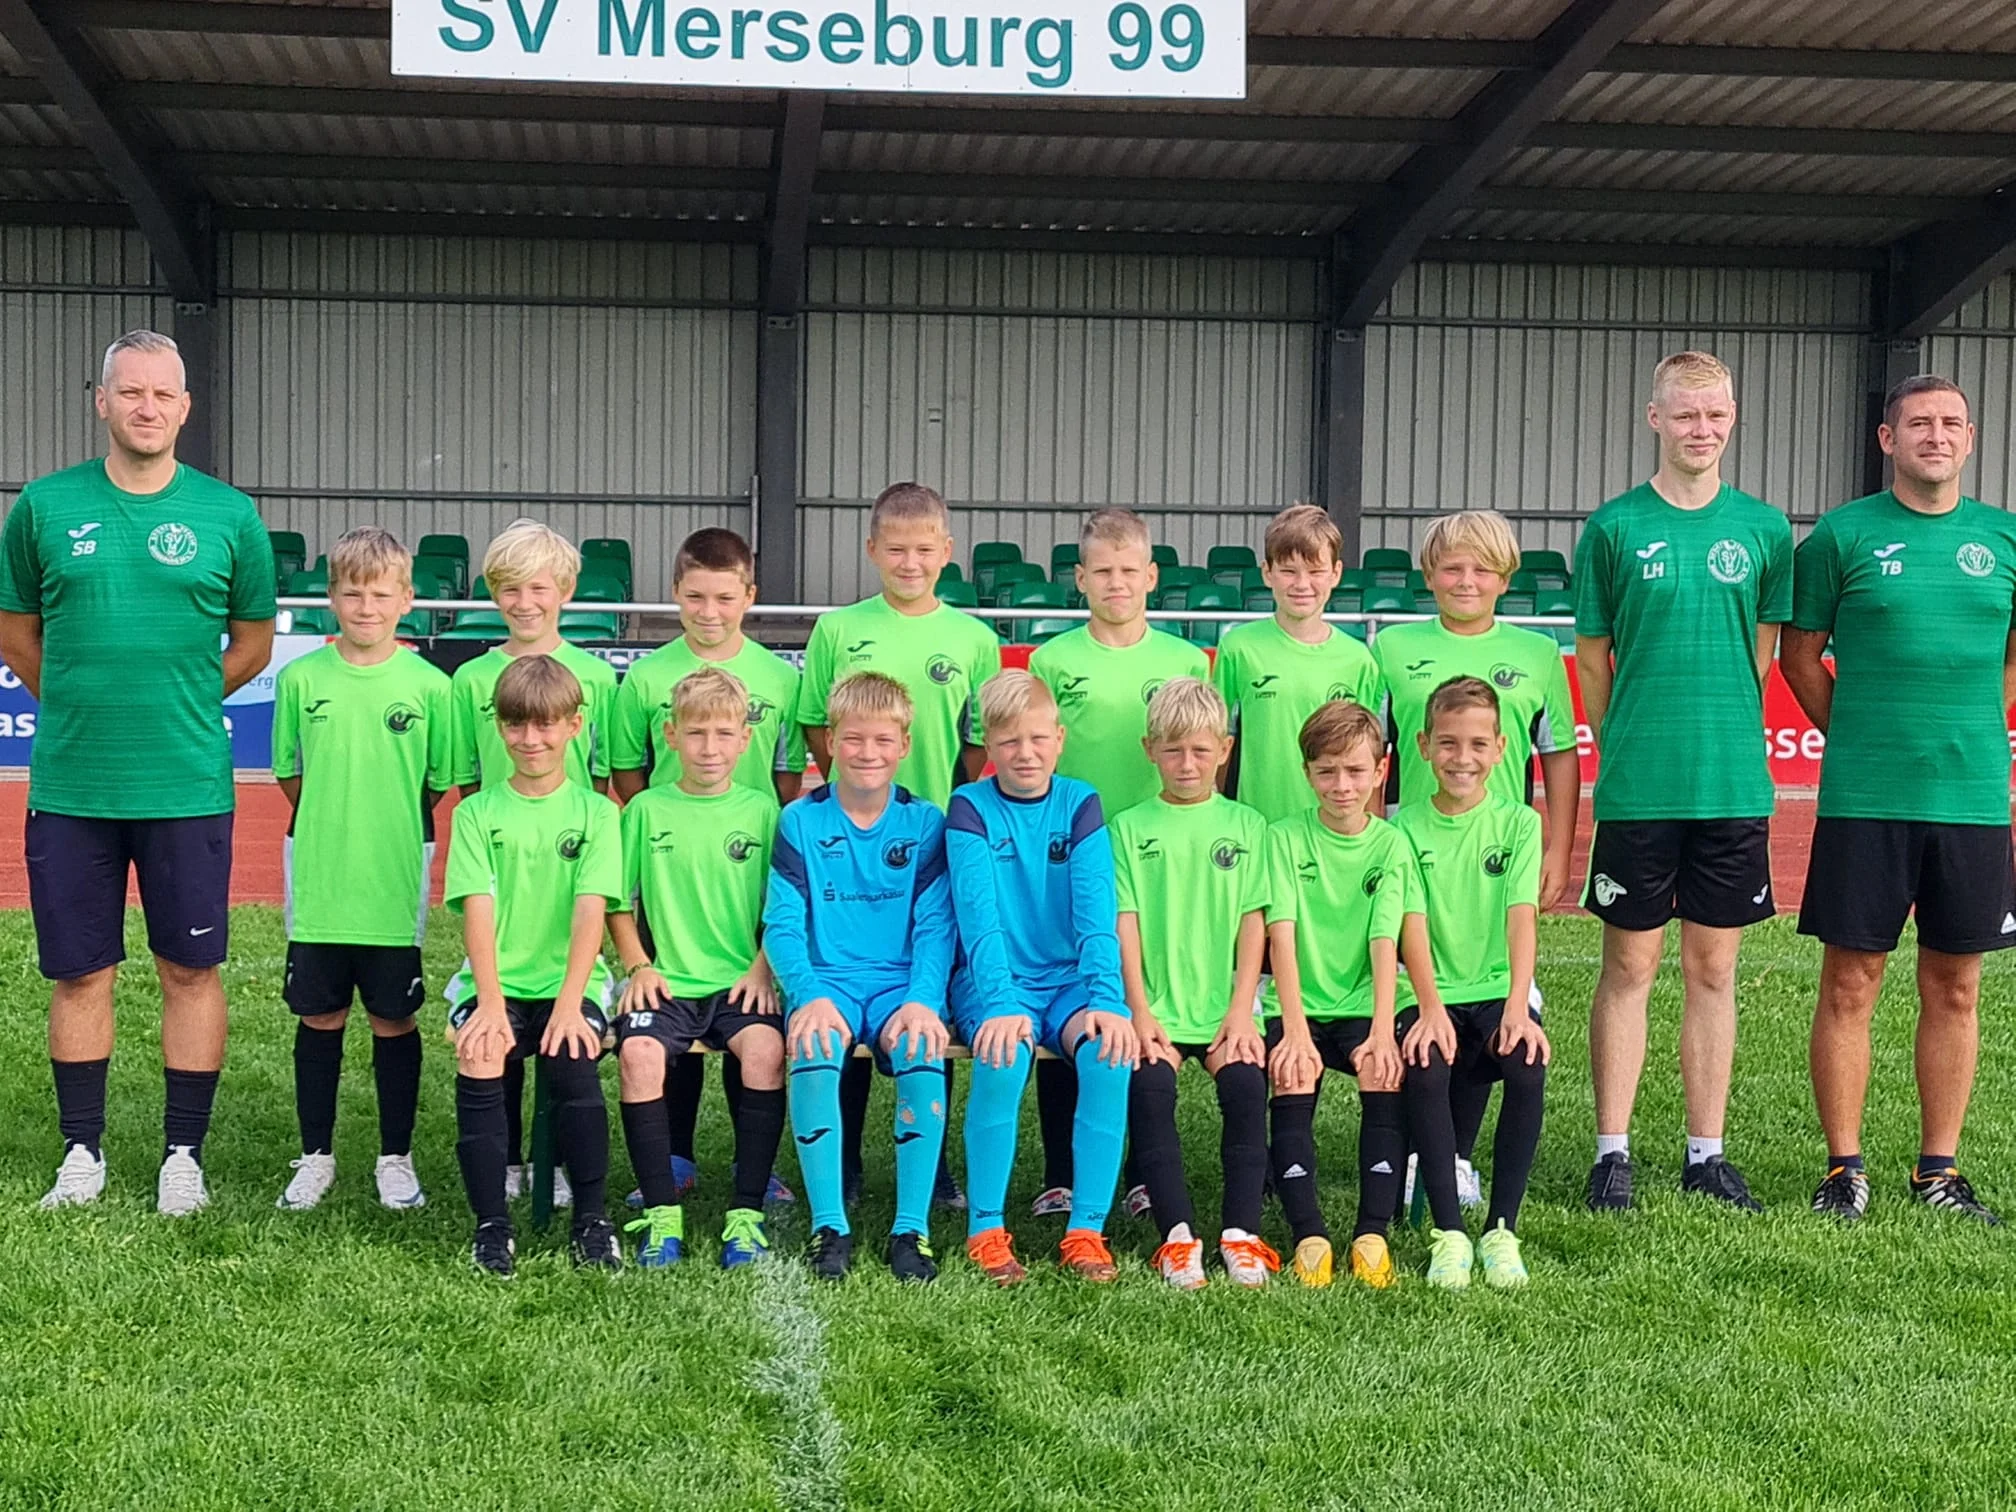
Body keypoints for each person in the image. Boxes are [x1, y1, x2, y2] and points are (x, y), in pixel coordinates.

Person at [2, 329, 276, 1216]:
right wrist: (78, 702)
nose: (146, 407)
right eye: (130, 392)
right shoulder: (44, 507)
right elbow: (16, 631)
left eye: (162, 394)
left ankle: (182, 1158)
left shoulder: (228, 515)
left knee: (188, 971)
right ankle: (82, 1153)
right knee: (81, 973)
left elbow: (253, 641)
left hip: (186, 786)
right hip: (74, 787)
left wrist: (179, 699)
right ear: (102, 401)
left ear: (185, 408)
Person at [1782, 375, 2016, 1224]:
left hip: (1972, 801)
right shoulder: (1841, 536)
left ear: (1971, 438)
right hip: (1866, 798)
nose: (1936, 435)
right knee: (1851, 982)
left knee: (1956, 987)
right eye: (1919, 423)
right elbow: (1799, 656)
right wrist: (1860, 731)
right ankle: (1844, 1168)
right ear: (1888, 440)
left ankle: (1937, 1170)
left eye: (1951, 422)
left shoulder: (2004, 537)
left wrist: (1975, 722)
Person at [1573, 350, 1793, 1214]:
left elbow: (1762, 656)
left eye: (1716, 414)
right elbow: (1595, 659)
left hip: (1730, 785)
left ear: (1732, 419)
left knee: (1714, 969)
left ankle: (1707, 1154)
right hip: (1641, 785)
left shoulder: (1765, 529)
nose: (1702, 429)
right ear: (1655, 418)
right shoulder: (1614, 528)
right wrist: (1626, 742)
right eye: (1686, 414)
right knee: (1628, 966)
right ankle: (1612, 1154)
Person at [797, 482, 997, 1208]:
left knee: (929, 992)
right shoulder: (837, 629)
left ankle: (932, 1166)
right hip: (852, 840)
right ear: (872, 550)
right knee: (847, 974)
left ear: (946, 552)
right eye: (896, 550)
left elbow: (978, 744)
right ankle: (845, 1161)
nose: (910, 563)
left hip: (933, 841)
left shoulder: (974, 639)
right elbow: (815, 723)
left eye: (924, 550)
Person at [608, 525, 800, 1208]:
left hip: (743, 869)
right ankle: (676, 1155)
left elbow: (786, 777)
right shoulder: (646, 678)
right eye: (695, 597)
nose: (709, 611)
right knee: (670, 1006)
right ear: (675, 594)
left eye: (724, 597)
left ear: (749, 595)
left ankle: (755, 1166)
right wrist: (664, 833)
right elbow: (628, 770)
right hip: (672, 871)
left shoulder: (780, 678)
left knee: (748, 1016)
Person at [1026, 507, 1204, 1218]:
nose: (1116, 583)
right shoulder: (1052, 660)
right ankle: (1061, 1172)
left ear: (1152, 576)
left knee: (1137, 996)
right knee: (1070, 990)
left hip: (1154, 851)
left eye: (1129, 570)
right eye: (1102, 571)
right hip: (1070, 852)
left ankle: (1137, 1171)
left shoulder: (1185, 660)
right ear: (1080, 578)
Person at [271, 527, 452, 1212]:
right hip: (321, 882)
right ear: (331, 598)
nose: (366, 607)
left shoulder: (431, 687)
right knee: (319, 1017)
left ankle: (395, 1157)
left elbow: (437, 782)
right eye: (352, 594)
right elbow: (290, 774)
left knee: (392, 1019)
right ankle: (315, 1156)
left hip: (391, 881)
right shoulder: (301, 679)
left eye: (380, 594)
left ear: (406, 599)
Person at [947, 671, 1139, 1285]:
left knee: (1108, 1053)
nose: (1024, 754)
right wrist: (1001, 1003)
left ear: (1059, 739)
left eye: (1037, 739)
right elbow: (979, 921)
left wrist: (1106, 998)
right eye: (1008, 742)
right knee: (1004, 1055)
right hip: (992, 981)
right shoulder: (970, 807)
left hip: (1068, 983)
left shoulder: (1080, 803)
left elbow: (1096, 914)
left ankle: (1086, 1230)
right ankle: (985, 1230)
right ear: (988, 746)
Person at [449, 518, 619, 1207]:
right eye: (510, 589)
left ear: (566, 591)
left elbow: (601, 777)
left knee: (561, 1024)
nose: (525, 603)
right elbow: (468, 780)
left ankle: (559, 1159)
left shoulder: (597, 678)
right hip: (501, 861)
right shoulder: (471, 678)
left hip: (567, 863)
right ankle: (511, 1159)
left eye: (538, 588)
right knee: (502, 1021)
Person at [765, 672, 956, 1282]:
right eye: (852, 738)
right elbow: (782, 925)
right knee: (815, 1045)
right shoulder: (800, 820)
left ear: (904, 745)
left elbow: (936, 926)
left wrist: (923, 999)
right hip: (830, 982)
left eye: (881, 740)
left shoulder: (925, 823)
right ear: (829, 742)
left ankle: (911, 1230)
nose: (866, 752)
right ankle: (830, 1226)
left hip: (901, 984)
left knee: (920, 1046)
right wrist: (808, 994)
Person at [444, 655, 623, 1276]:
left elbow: (591, 911)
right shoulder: (476, 814)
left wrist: (571, 1004)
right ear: (499, 727)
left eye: (546, 725)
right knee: (481, 1052)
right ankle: (492, 1226)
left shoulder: (597, 813)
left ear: (574, 726)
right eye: (516, 725)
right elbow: (478, 911)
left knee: (573, 1053)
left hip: (571, 982)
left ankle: (592, 1220)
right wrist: (490, 1004)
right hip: (495, 982)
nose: (530, 739)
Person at [610, 667, 787, 1267]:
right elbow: (616, 902)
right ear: (671, 736)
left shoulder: (762, 811)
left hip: (740, 981)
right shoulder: (644, 810)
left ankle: (746, 1213)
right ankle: (662, 1214)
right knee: (638, 1056)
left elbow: (784, 904)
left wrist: (762, 968)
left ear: (745, 739)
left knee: (765, 1052)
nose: (709, 748)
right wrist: (638, 965)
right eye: (696, 733)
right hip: (668, 983)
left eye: (723, 733)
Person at [1111, 677, 1274, 1290]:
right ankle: (1177, 1238)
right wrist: (1139, 1011)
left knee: (1245, 1088)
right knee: (1150, 1091)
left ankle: (1241, 1234)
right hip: (1155, 1010)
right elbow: (1124, 924)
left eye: (1201, 751)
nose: (1187, 763)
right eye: (1173, 750)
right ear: (1149, 749)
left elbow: (1253, 923)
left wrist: (1241, 1010)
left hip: (1225, 1009)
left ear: (1225, 750)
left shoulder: (1247, 825)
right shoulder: (1128, 828)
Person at [1393, 678, 1548, 1286]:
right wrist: (1429, 1006)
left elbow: (1521, 918)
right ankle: (1450, 1232)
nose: (1463, 758)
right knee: (1427, 1064)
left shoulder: (1519, 824)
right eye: (1449, 743)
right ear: (1424, 745)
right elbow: (1411, 924)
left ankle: (1501, 1230)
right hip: (1426, 992)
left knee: (1526, 1064)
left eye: (1479, 744)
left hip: (1496, 992)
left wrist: (1517, 1006)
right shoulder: (1403, 829)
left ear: (1501, 748)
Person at [1263, 701, 1417, 1289]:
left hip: (1363, 1004)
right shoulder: (1283, 838)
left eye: (1355, 771)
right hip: (1296, 1003)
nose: (1342, 785)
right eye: (1326, 771)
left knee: (1383, 1069)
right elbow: (1282, 933)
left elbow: (1385, 938)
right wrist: (1295, 1029)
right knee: (1294, 1071)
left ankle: (1371, 1233)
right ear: (1307, 773)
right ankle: (1309, 1236)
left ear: (1380, 771)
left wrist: (1381, 1030)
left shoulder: (1391, 845)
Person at [1372, 510, 1578, 908]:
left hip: (1502, 846)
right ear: (1428, 576)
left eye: (1483, 570)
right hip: (1409, 843)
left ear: (1505, 580)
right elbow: (1368, 753)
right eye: (1452, 569)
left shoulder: (1539, 653)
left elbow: (1560, 755)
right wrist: (1368, 839)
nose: (1466, 581)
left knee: (1501, 946)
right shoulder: (1390, 647)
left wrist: (1559, 850)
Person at [1215, 503, 1383, 823]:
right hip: (1260, 826)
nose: (1302, 584)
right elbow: (1217, 743)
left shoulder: (1359, 660)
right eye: (1289, 571)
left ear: (1335, 573)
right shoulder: (1238, 648)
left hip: (1331, 830)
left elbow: (1367, 757)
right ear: (1267, 573)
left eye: (1315, 571)